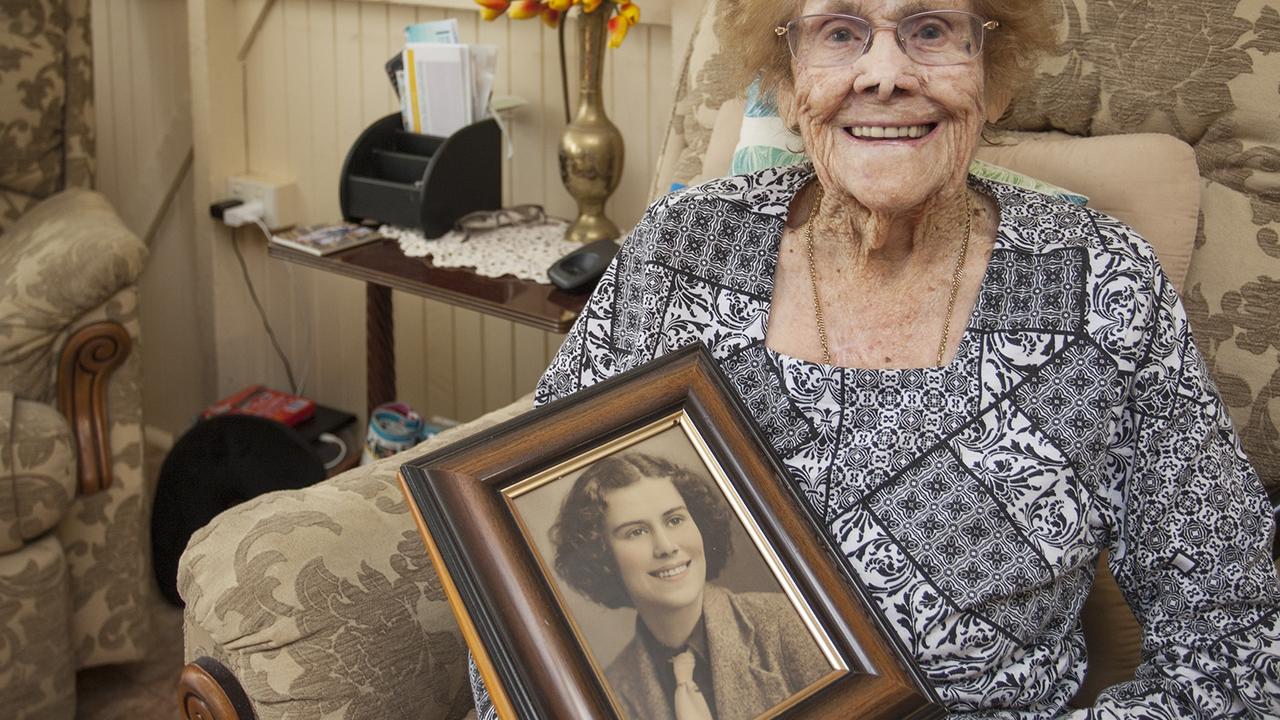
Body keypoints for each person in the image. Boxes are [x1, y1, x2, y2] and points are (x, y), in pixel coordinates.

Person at [473, 0, 1280, 716]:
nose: (886, 73)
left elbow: (1235, 641)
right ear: (788, 83)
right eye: (840, 32)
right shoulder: (682, 250)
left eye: (931, 30)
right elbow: (526, 536)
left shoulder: (1098, 283)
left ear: (991, 77)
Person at [549, 452, 830, 720]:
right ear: (602, 556)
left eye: (674, 520)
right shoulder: (610, 694)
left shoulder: (788, 624)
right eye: (636, 532)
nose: (666, 547)